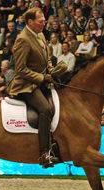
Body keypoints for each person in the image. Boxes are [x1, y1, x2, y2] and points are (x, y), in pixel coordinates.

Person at [6, 7, 67, 168]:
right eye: (40, 21)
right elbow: (21, 69)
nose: (44, 23)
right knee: (45, 109)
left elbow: (46, 58)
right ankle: (44, 153)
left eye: (44, 21)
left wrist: (51, 69)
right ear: (30, 22)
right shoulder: (22, 39)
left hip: (42, 82)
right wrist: (42, 77)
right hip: (25, 85)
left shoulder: (40, 34)